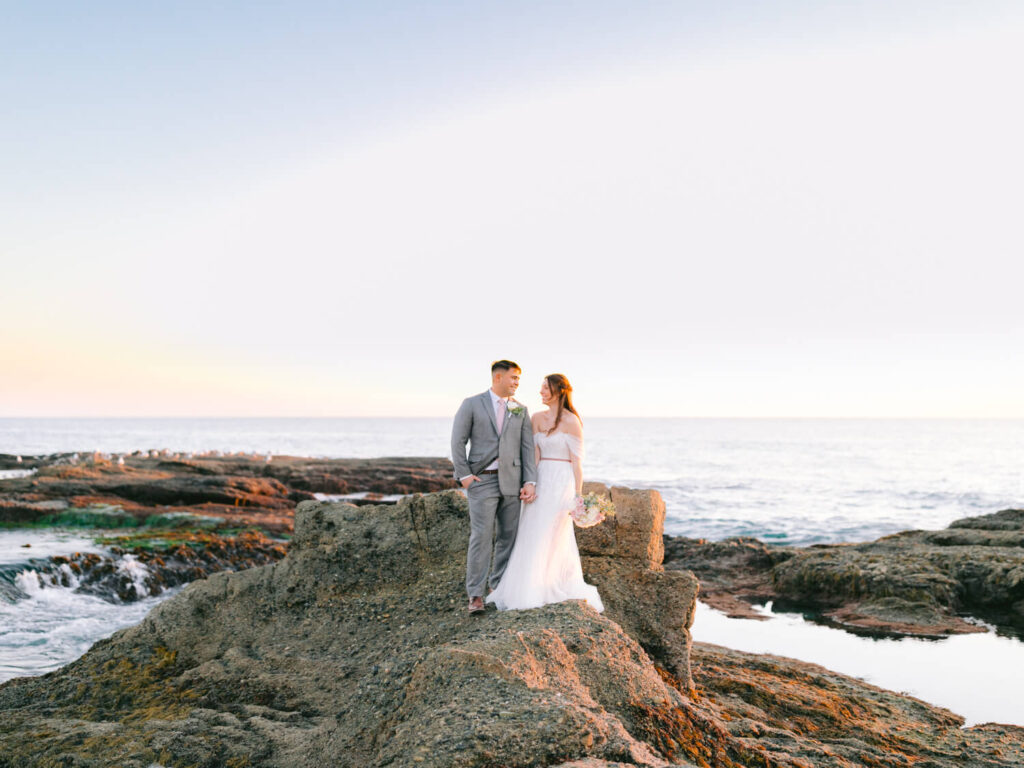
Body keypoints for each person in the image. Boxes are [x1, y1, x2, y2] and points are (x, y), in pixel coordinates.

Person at [486, 373, 604, 613]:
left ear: (559, 391)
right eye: (541, 388)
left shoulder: (572, 421)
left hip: (562, 480)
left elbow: (577, 462)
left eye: (545, 388)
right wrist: (530, 482)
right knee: (531, 527)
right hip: (541, 475)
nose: (541, 392)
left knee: (552, 531)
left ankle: (549, 583)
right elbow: (534, 454)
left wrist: (578, 495)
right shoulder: (537, 418)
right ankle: (524, 586)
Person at [451, 360, 538, 614]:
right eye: (513, 378)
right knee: (481, 537)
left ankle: (497, 587)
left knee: (507, 537)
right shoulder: (472, 404)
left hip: (512, 482)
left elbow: (527, 448)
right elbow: (457, 441)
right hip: (483, 480)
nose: (516, 383)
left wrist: (529, 481)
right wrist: (464, 476)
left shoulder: (520, 409)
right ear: (498, 377)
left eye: (518, 379)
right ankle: (475, 595)